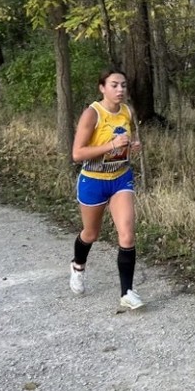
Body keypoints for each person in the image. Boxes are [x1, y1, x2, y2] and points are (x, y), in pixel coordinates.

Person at [69, 68, 144, 309]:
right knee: (91, 234)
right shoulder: (92, 114)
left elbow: (121, 144)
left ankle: (127, 292)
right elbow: (77, 154)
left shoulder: (127, 111)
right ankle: (78, 266)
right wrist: (110, 144)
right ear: (102, 88)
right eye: (114, 85)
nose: (120, 90)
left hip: (121, 178)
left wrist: (130, 147)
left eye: (123, 85)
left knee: (127, 234)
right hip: (93, 180)